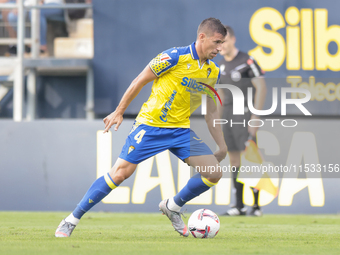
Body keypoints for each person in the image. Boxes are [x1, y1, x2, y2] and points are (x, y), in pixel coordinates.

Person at [55, 17, 228, 238]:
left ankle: (173, 206)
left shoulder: (212, 72)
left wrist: (221, 145)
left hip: (180, 131)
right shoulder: (174, 56)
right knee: (119, 174)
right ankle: (71, 219)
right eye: (217, 42)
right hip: (151, 126)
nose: (220, 48)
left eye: (222, 43)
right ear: (202, 37)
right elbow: (139, 80)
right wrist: (119, 111)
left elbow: (211, 110)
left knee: (213, 173)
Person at [218, 26, 266, 216]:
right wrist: (218, 120)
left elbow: (261, 88)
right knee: (234, 159)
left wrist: (255, 117)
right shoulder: (219, 66)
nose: (222, 45)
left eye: (225, 40)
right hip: (228, 117)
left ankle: (256, 206)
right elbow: (220, 94)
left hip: (245, 115)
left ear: (233, 39)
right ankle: (238, 205)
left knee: (251, 158)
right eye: (219, 42)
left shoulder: (248, 61)